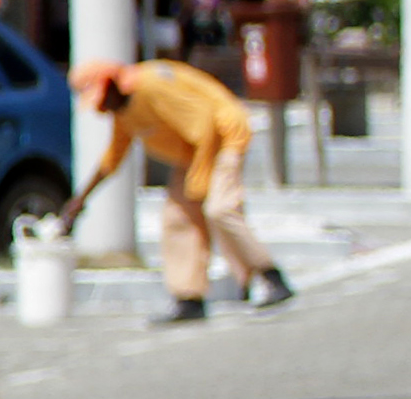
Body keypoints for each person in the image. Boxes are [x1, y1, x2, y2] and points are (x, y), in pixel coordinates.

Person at [62, 59, 293, 326]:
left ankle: (270, 277)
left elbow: (205, 124)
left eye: (102, 98)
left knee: (220, 209)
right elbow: (113, 157)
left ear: (114, 84)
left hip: (224, 136)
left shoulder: (152, 85)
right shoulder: (124, 110)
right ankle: (189, 298)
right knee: (177, 219)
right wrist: (80, 199)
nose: (103, 108)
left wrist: (199, 181)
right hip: (192, 151)